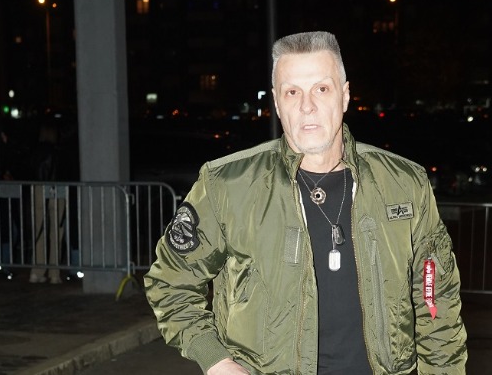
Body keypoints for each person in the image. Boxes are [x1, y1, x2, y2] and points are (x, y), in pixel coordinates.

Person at [144, 31, 467, 375]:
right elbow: (171, 282)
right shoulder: (226, 185)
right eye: (292, 92)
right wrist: (216, 361)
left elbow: (436, 302)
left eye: (321, 89)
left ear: (345, 96)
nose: (307, 106)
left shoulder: (404, 184)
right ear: (277, 102)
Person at [28, 122, 67, 284]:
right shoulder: (58, 151)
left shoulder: (35, 151)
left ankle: (36, 271)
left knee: (39, 230)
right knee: (56, 232)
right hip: (57, 190)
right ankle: (54, 273)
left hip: (38, 188)